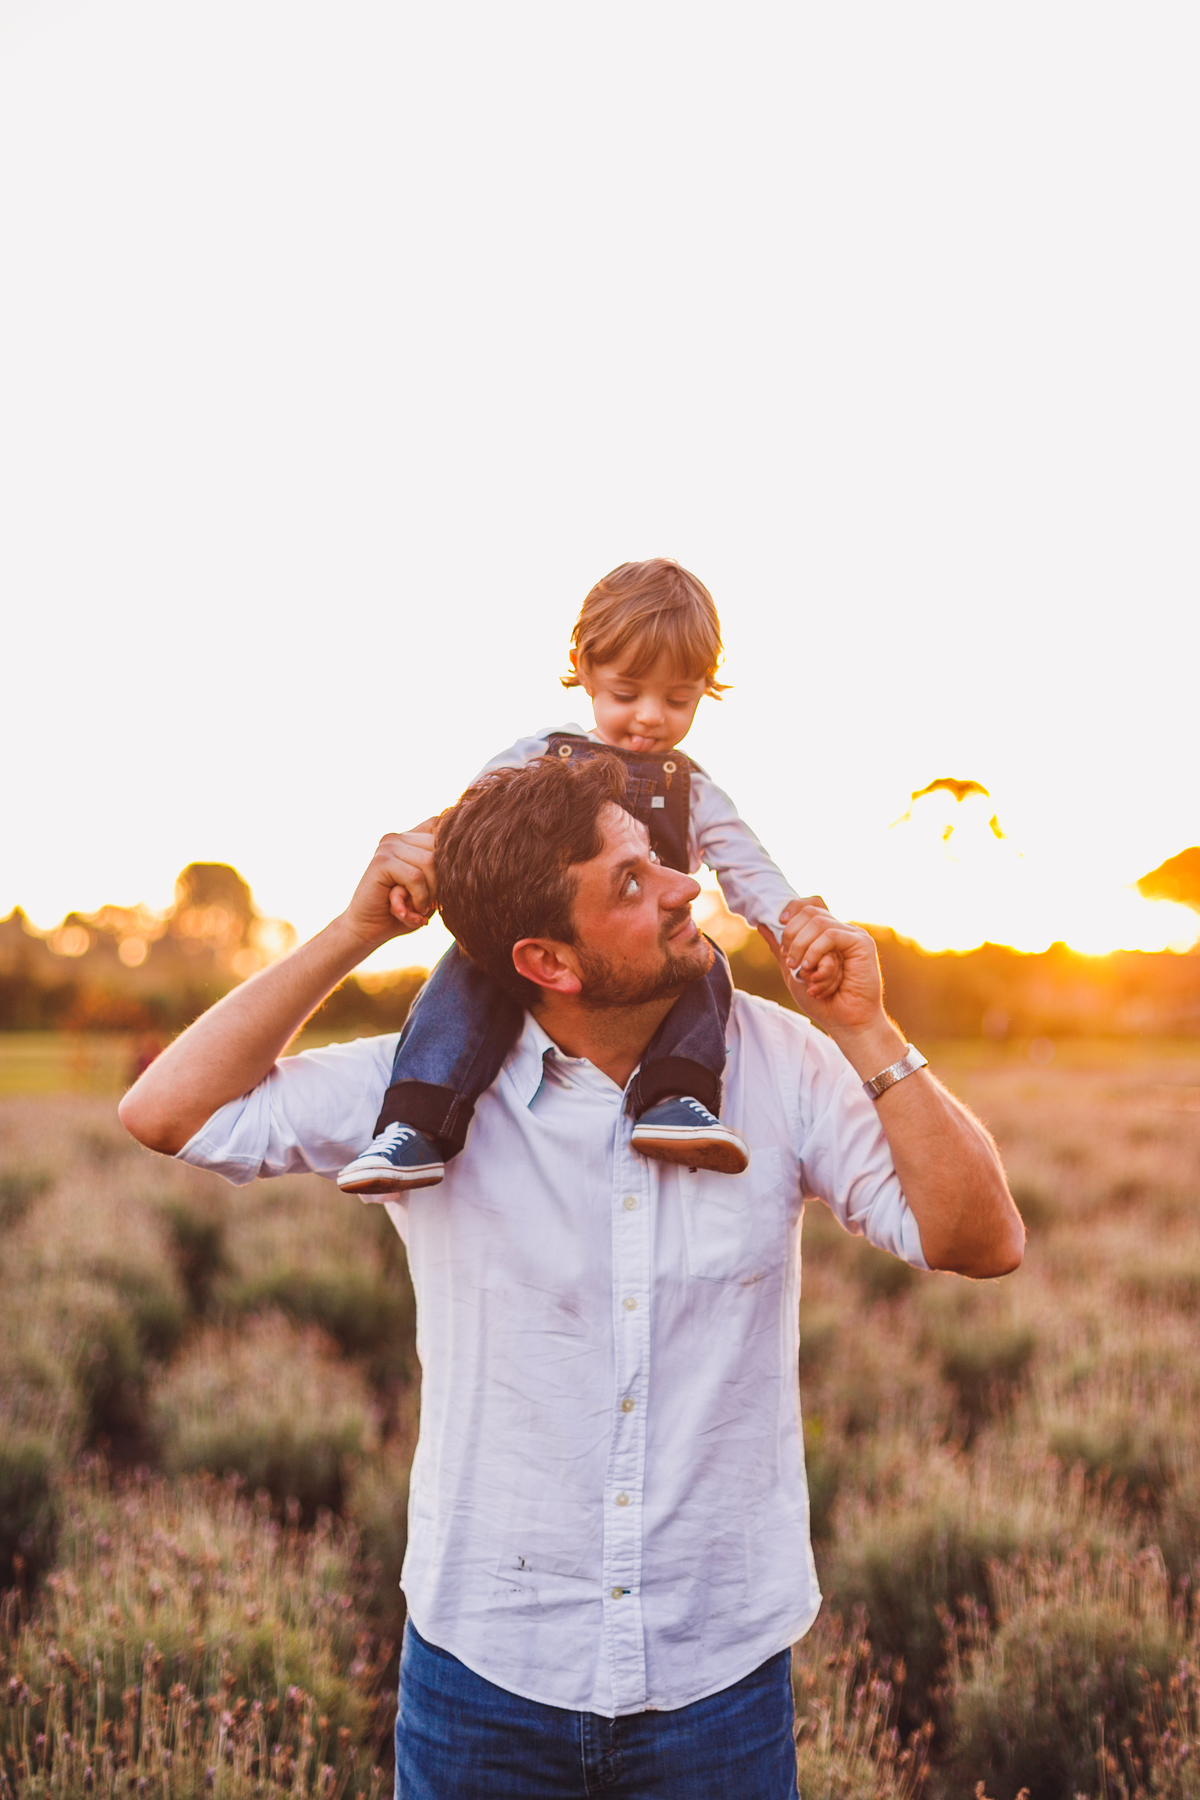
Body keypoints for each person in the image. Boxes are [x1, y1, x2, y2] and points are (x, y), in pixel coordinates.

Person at [119, 752, 1024, 1800]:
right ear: (548, 961)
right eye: (632, 884)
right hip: (484, 1684)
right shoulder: (424, 1093)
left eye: (658, 859)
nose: (687, 886)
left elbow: (980, 1240)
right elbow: (165, 1113)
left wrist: (867, 1026)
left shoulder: (782, 1062)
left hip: (716, 1686)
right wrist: (356, 928)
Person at [335, 557, 825, 1196]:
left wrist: (795, 928)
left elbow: (749, 868)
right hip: (539, 936)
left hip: (651, 951)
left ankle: (674, 1100)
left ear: (705, 689)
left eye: (679, 699)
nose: (651, 716)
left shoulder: (694, 791)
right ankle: (416, 1122)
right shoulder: (540, 757)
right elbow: (466, 822)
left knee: (705, 970)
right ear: (585, 669)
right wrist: (420, 865)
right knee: (467, 975)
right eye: (627, 693)